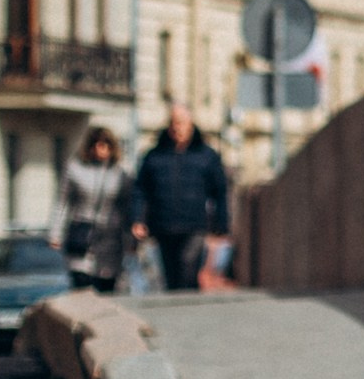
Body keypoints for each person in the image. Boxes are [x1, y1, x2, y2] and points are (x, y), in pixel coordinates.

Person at [130, 103, 230, 292]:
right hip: (163, 226)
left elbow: (220, 191)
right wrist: (137, 219)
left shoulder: (207, 156)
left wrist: (222, 224)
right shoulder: (154, 156)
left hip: (194, 226)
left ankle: (188, 311)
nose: (177, 128)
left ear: (191, 125)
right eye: (174, 123)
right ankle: (175, 314)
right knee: (170, 278)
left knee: (188, 269)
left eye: (181, 123)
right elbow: (140, 190)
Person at [49, 126, 134, 292]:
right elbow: (62, 202)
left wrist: (131, 239)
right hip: (82, 234)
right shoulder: (75, 168)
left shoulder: (122, 173)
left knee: (106, 285)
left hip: (110, 239)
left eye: (105, 145)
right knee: (81, 282)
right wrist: (55, 233)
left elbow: (128, 206)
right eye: (96, 145)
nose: (100, 150)